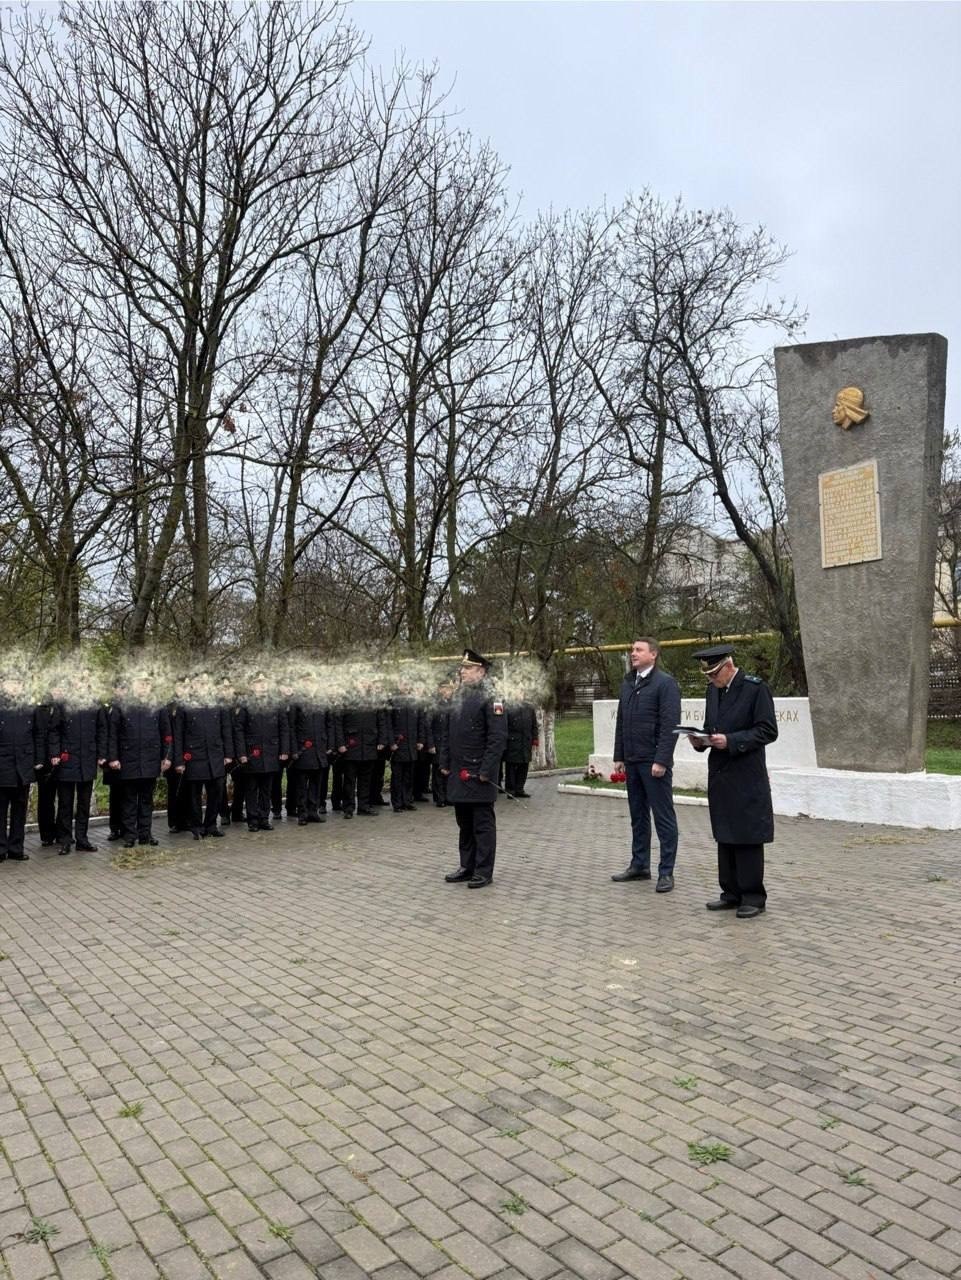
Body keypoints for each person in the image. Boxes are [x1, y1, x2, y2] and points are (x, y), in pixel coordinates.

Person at [688, 644, 778, 920]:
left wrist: (732, 741)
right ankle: (730, 892)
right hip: (721, 774)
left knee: (747, 836)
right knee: (725, 834)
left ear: (728, 666)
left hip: (746, 774)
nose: (711, 680)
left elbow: (767, 730)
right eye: (708, 676)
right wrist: (700, 740)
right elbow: (711, 727)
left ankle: (753, 896)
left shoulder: (755, 689)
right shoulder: (712, 691)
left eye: (715, 674)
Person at [610, 637, 681, 893]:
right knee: (638, 816)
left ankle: (666, 872)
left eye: (639, 650)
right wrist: (619, 755)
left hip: (653, 763)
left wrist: (661, 759)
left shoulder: (665, 684)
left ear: (654, 654)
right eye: (632, 650)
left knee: (663, 818)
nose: (633, 654)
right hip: (632, 760)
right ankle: (639, 865)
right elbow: (622, 722)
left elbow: (669, 725)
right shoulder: (629, 682)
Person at [441, 649, 508, 889]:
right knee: (464, 822)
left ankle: (483, 870)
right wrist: (445, 762)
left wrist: (487, 770)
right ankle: (466, 866)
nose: (462, 671)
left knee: (482, 823)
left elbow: (497, 738)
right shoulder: (459, 695)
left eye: (467, 668)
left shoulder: (492, 696)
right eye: (462, 668)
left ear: (480, 671)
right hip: (459, 772)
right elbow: (449, 733)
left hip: (478, 772)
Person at [108, 674, 171, 848]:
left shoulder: (158, 707)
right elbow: (113, 735)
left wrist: (166, 757)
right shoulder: (122, 706)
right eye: (140, 684)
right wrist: (113, 758)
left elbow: (167, 735)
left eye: (146, 684)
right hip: (128, 761)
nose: (143, 687)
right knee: (128, 801)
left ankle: (146, 834)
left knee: (146, 800)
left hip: (150, 761)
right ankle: (130, 835)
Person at [48, 686, 106, 855]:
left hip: (87, 759)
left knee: (84, 803)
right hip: (67, 759)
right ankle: (65, 840)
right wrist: (55, 753)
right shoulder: (62, 704)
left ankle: (82, 839)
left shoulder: (95, 704)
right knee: (65, 804)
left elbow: (102, 730)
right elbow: (54, 731)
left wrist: (101, 754)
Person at [174, 673, 233, 839]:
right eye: (199, 682)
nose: (203, 685)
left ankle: (211, 825)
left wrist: (228, 753)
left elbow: (226, 729)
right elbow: (178, 735)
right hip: (194, 757)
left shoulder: (218, 703)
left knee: (216, 793)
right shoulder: (184, 705)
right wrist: (179, 760)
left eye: (206, 682)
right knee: (194, 795)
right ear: (193, 685)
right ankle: (197, 826)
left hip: (215, 755)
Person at [235, 672, 291, 833]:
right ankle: (252, 820)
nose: (262, 685)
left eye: (265, 682)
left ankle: (264, 818)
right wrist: (242, 753)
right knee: (251, 789)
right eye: (258, 682)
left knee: (267, 789)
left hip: (271, 752)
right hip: (252, 753)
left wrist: (284, 750)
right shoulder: (246, 704)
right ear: (252, 686)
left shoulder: (276, 703)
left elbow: (284, 728)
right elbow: (239, 729)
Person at [0, 673, 43, 862]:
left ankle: (16, 848)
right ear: (3, 685)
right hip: (2, 766)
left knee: (19, 810)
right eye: (12, 682)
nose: (16, 686)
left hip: (23, 768)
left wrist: (38, 759)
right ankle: (1, 849)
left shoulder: (29, 707)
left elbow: (38, 735)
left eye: (18, 682)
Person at [503, 699, 537, 798]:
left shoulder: (529, 707)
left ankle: (519, 789)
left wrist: (535, 739)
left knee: (524, 766)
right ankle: (510, 790)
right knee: (511, 767)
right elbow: (503, 725)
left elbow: (534, 725)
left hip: (526, 742)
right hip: (512, 742)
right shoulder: (508, 706)